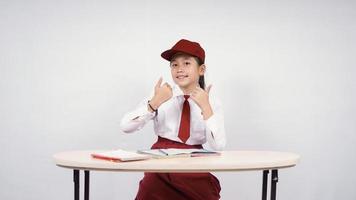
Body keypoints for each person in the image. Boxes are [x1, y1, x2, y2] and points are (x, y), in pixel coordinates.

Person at [120, 39, 226, 200]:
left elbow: (218, 145)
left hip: (194, 162)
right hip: (161, 162)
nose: (180, 69)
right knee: (151, 186)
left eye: (186, 63)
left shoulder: (210, 100)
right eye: (174, 65)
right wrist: (155, 103)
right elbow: (125, 126)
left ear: (201, 69)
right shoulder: (161, 94)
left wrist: (206, 107)